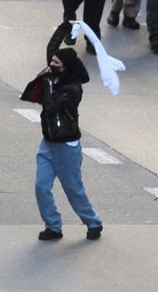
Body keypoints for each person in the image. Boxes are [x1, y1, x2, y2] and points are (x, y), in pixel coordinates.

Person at [21, 21, 101, 241]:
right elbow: (52, 47)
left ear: (64, 67)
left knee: (73, 188)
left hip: (66, 146)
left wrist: (48, 82)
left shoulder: (72, 89)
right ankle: (53, 226)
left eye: (55, 63)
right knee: (41, 186)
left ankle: (93, 222)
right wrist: (66, 26)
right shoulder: (55, 75)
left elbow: (51, 106)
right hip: (48, 143)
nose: (50, 64)